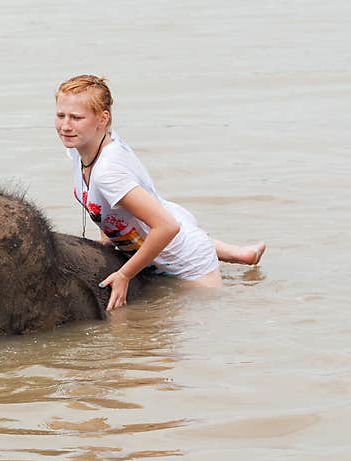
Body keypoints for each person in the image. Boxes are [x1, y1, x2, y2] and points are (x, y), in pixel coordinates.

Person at [55, 75, 265, 311]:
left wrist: (124, 275)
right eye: (61, 115)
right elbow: (107, 207)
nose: (65, 126)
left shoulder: (108, 173)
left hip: (186, 262)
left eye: (76, 117)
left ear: (103, 119)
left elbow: (167, 227)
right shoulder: (81, 149)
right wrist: (108, 240)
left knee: (217, 312)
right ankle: (240, 254)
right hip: (161, 219)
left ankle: (229, 258)